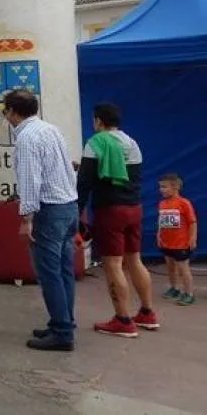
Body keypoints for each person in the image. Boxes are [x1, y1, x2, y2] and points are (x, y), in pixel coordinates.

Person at [3, 89, 79, 351]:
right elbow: (65, 167)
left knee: (49, 274)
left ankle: (61, 331)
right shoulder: (51, 130)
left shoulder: (25, 138)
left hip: (49, 209)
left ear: (12, 112)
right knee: (64, 270)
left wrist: (26, 217)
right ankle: (64, 321)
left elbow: (30, 178)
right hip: (68, 204)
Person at [76, 102, 159, 337]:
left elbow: (85, 182)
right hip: (134, 207)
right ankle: (147, 313)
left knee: (113, 264)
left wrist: (76, 212)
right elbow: (126, 174)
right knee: (135, 259)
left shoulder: (95, 142)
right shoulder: (131, 143)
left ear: (98, 121)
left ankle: (123, 319)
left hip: (110, 210)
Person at [155, 173, 197, 305]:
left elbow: (192, 222)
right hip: (166, 242)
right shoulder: (162, 204)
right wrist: (159, 234)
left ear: (175, 187)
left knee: (183, 268)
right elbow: (161, 221)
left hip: (181, 243)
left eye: (164, 187)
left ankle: (189, 294)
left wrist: (192, 238)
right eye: (160, 187)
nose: (161, 189)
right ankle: (174, 288)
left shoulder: (184, 203)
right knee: (170, 267)